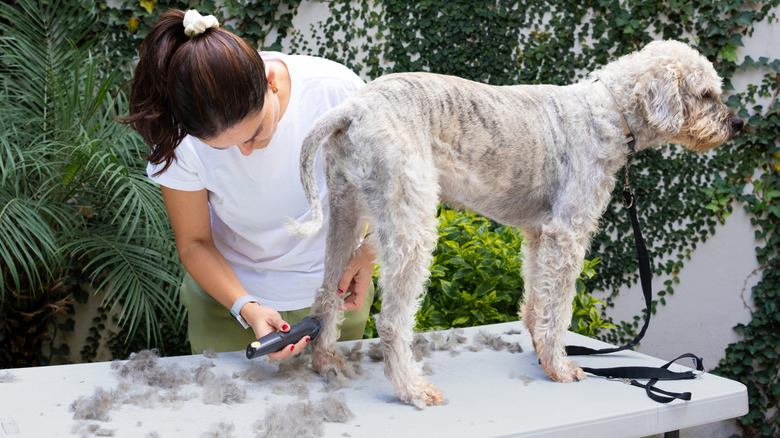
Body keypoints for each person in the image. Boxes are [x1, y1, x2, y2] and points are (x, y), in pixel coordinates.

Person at [122, 9, 376, 359]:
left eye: (255, 132)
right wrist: (246, 307)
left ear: (270, 80)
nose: (245, 151)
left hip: (337, 295)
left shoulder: (337, 92)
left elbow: (389, 185)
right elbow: (194, 242)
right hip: (228, 303)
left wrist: (369, 250)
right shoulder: (178, 134)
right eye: (223, 148)